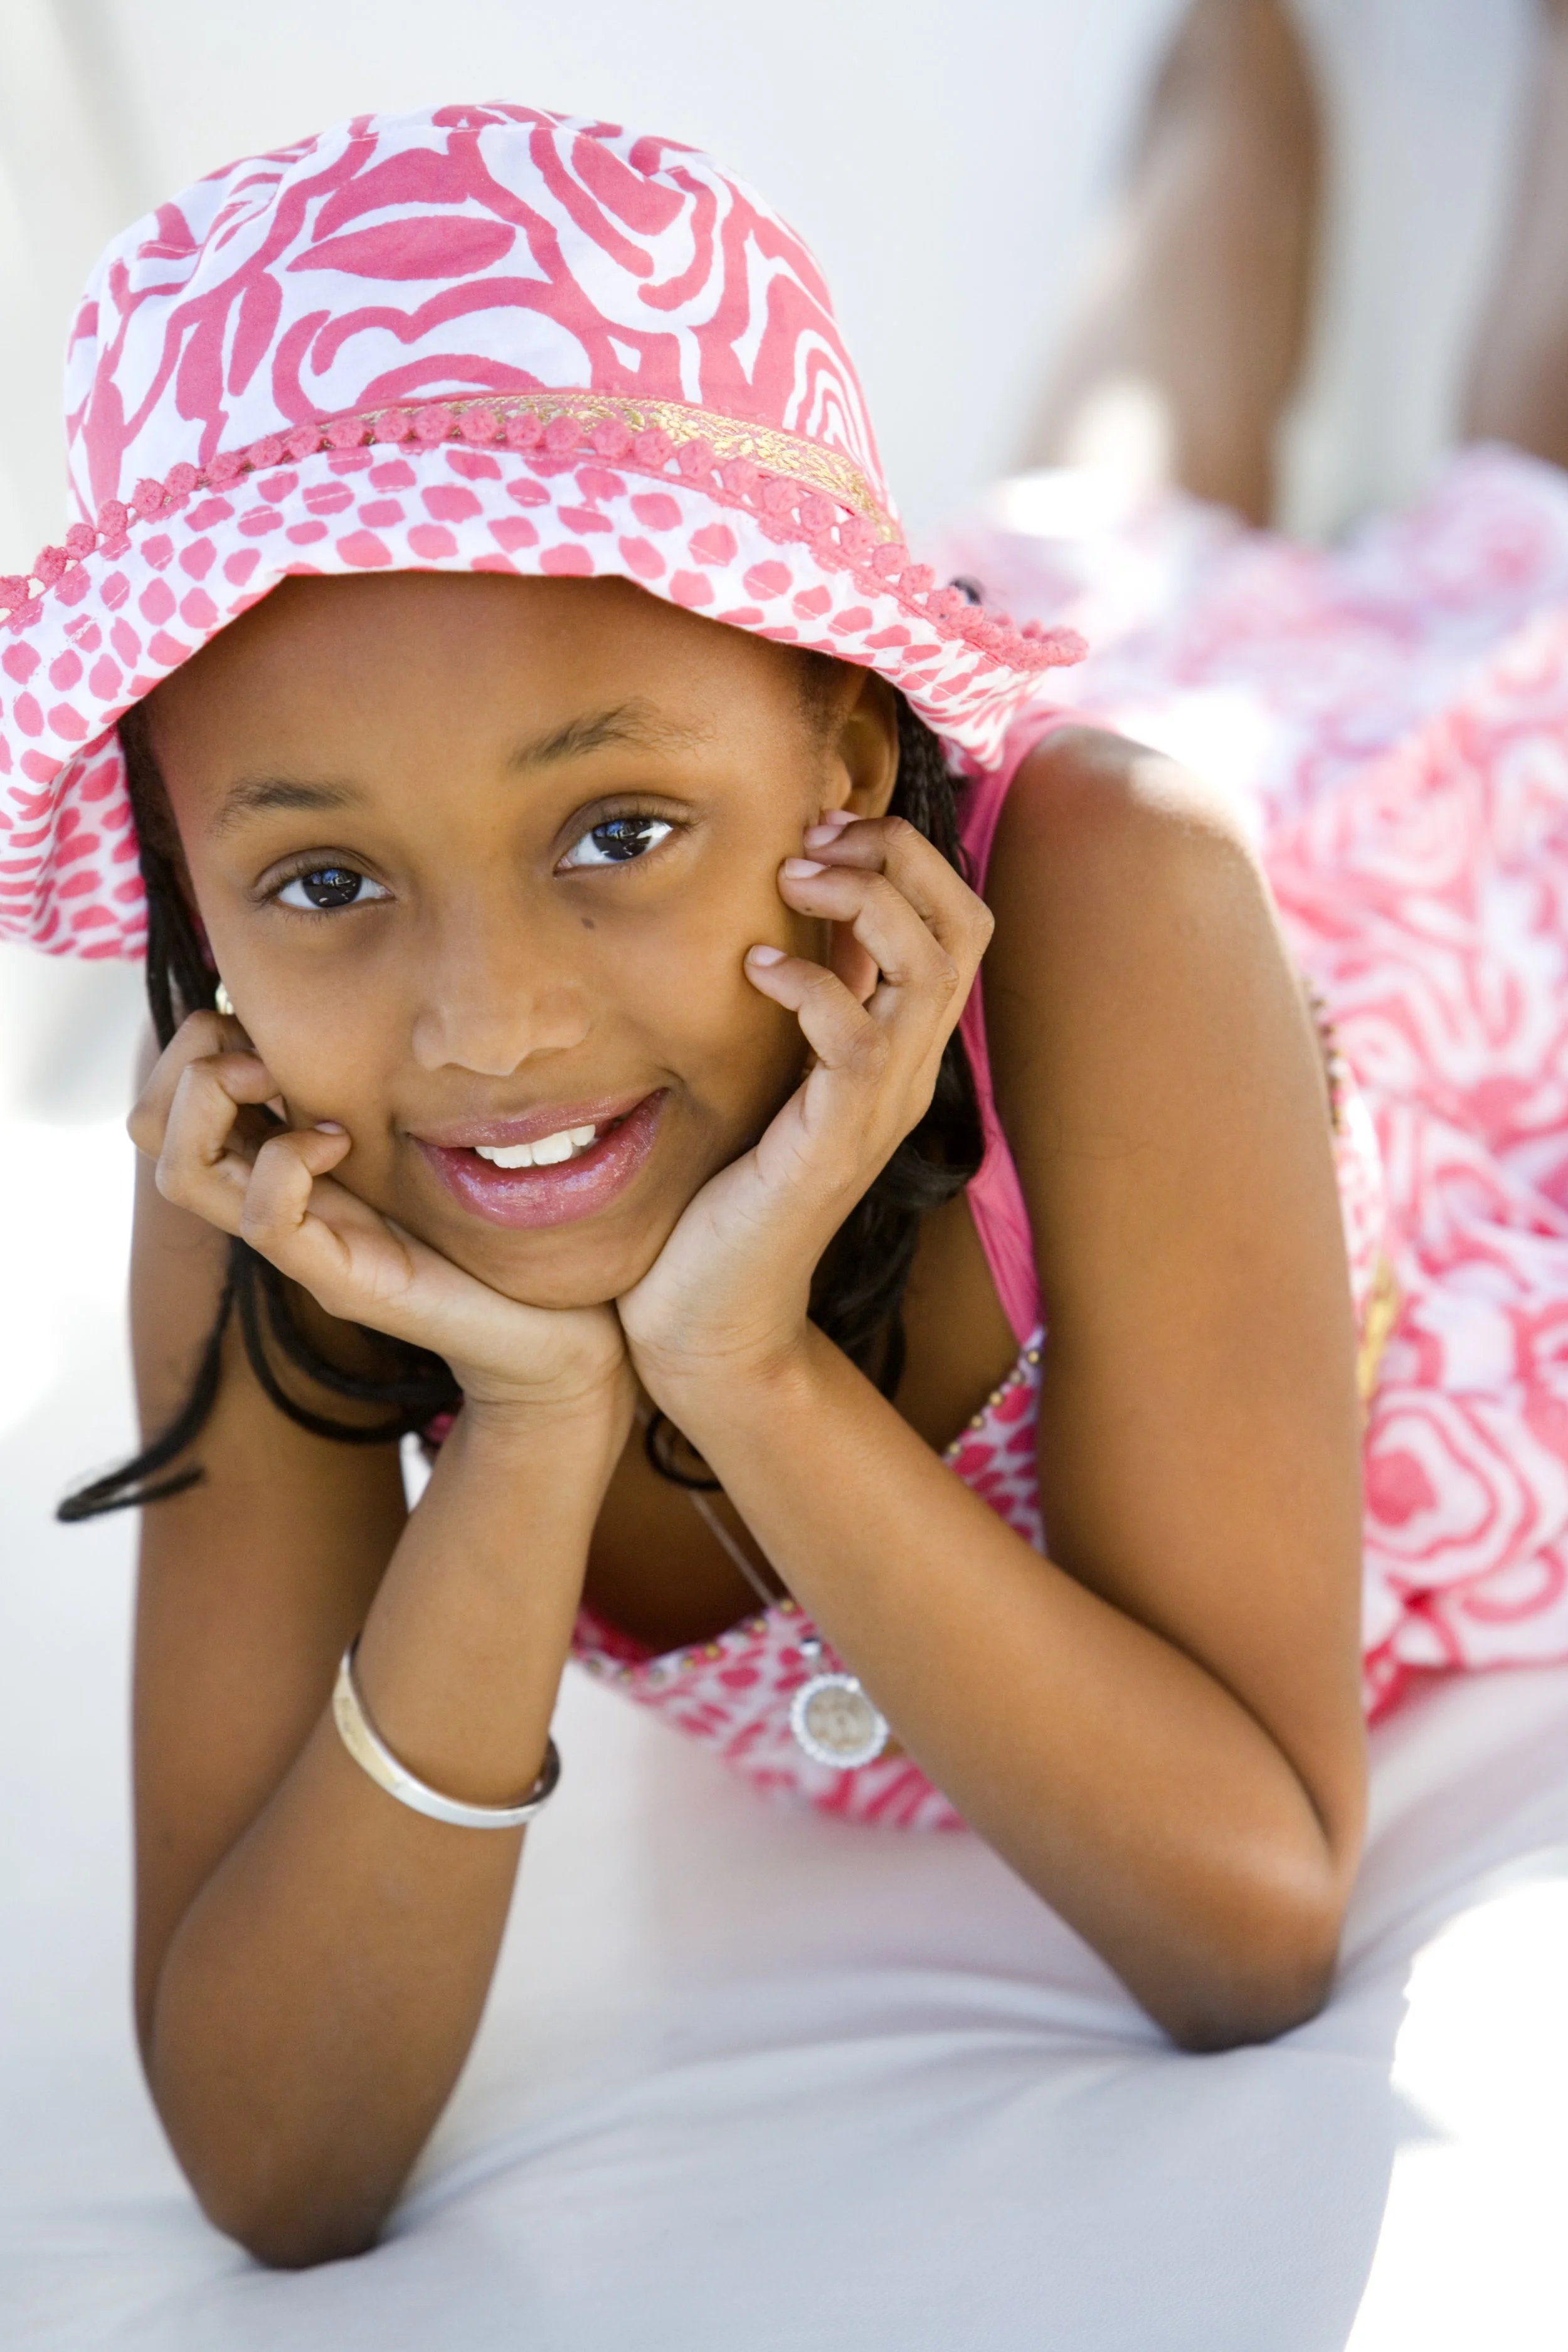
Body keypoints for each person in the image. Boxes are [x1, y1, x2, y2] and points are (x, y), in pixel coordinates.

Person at [0, 0, 1561, 2270]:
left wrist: (741, 1369)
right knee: (1131, 484)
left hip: (1385, 936)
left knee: (1511, 539)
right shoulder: (269, 1185)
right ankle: (1236, 60)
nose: (489, 1030)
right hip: (963, 794)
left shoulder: (1110, 911)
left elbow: (1250, 1921)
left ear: (848, 769)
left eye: (616, 829)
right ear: (196, 902)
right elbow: (276, 2161)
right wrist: (540, 1418)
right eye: (323, 886)